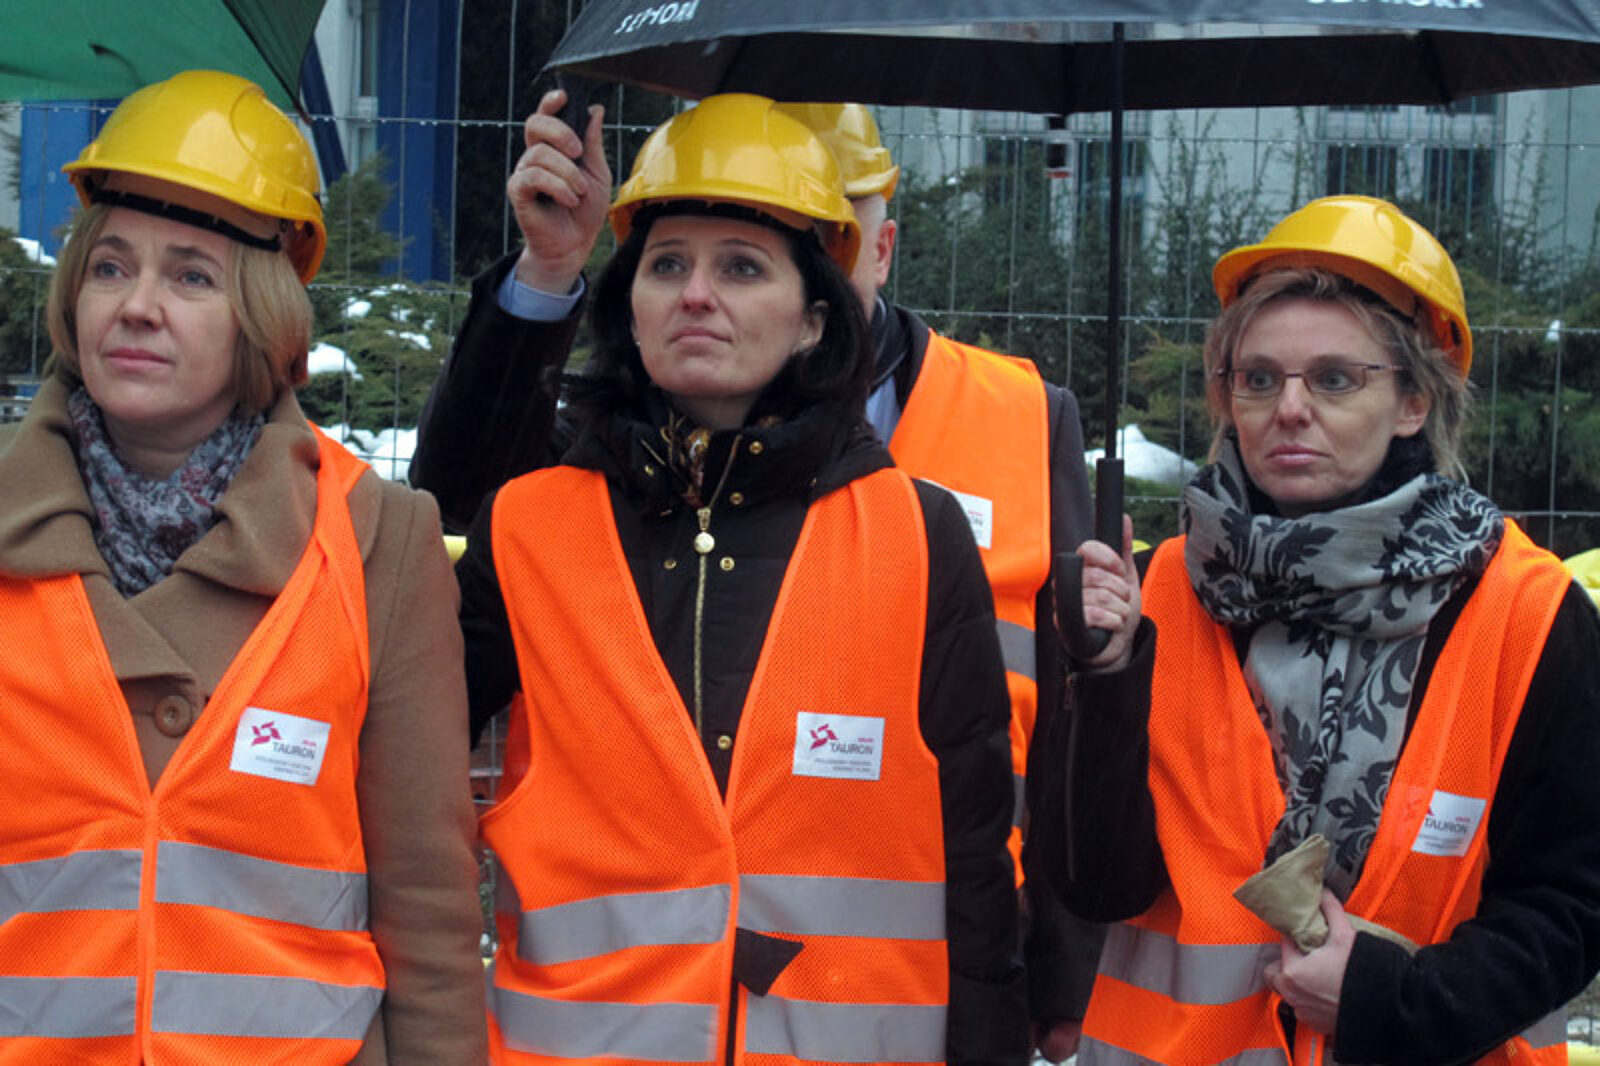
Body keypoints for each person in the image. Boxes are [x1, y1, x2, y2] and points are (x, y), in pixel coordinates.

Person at [408, 91, 1107, 1062]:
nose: (697, 294)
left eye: (741, 266)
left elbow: (973, 844)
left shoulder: (916, 532)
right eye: (666, 265)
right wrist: (548, 268)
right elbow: (404, 766)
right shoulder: (534, 523)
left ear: (815, 319)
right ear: (630, 307)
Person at [1044, 195, 1600, 1064]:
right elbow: (1096, 887)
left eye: (1335, 379)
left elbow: (1573, 904)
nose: (1289, 409)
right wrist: (1106, 679)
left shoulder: (1527, 617)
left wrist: (1391, 1000)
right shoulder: (1154, 596)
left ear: (1414, 400)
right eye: (1258, 379)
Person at [0, 70, 487, 1063]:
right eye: (110, 267)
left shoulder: (376, 538)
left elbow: (426, 904)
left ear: (262, 312)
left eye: (191, 277)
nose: (137, 307)